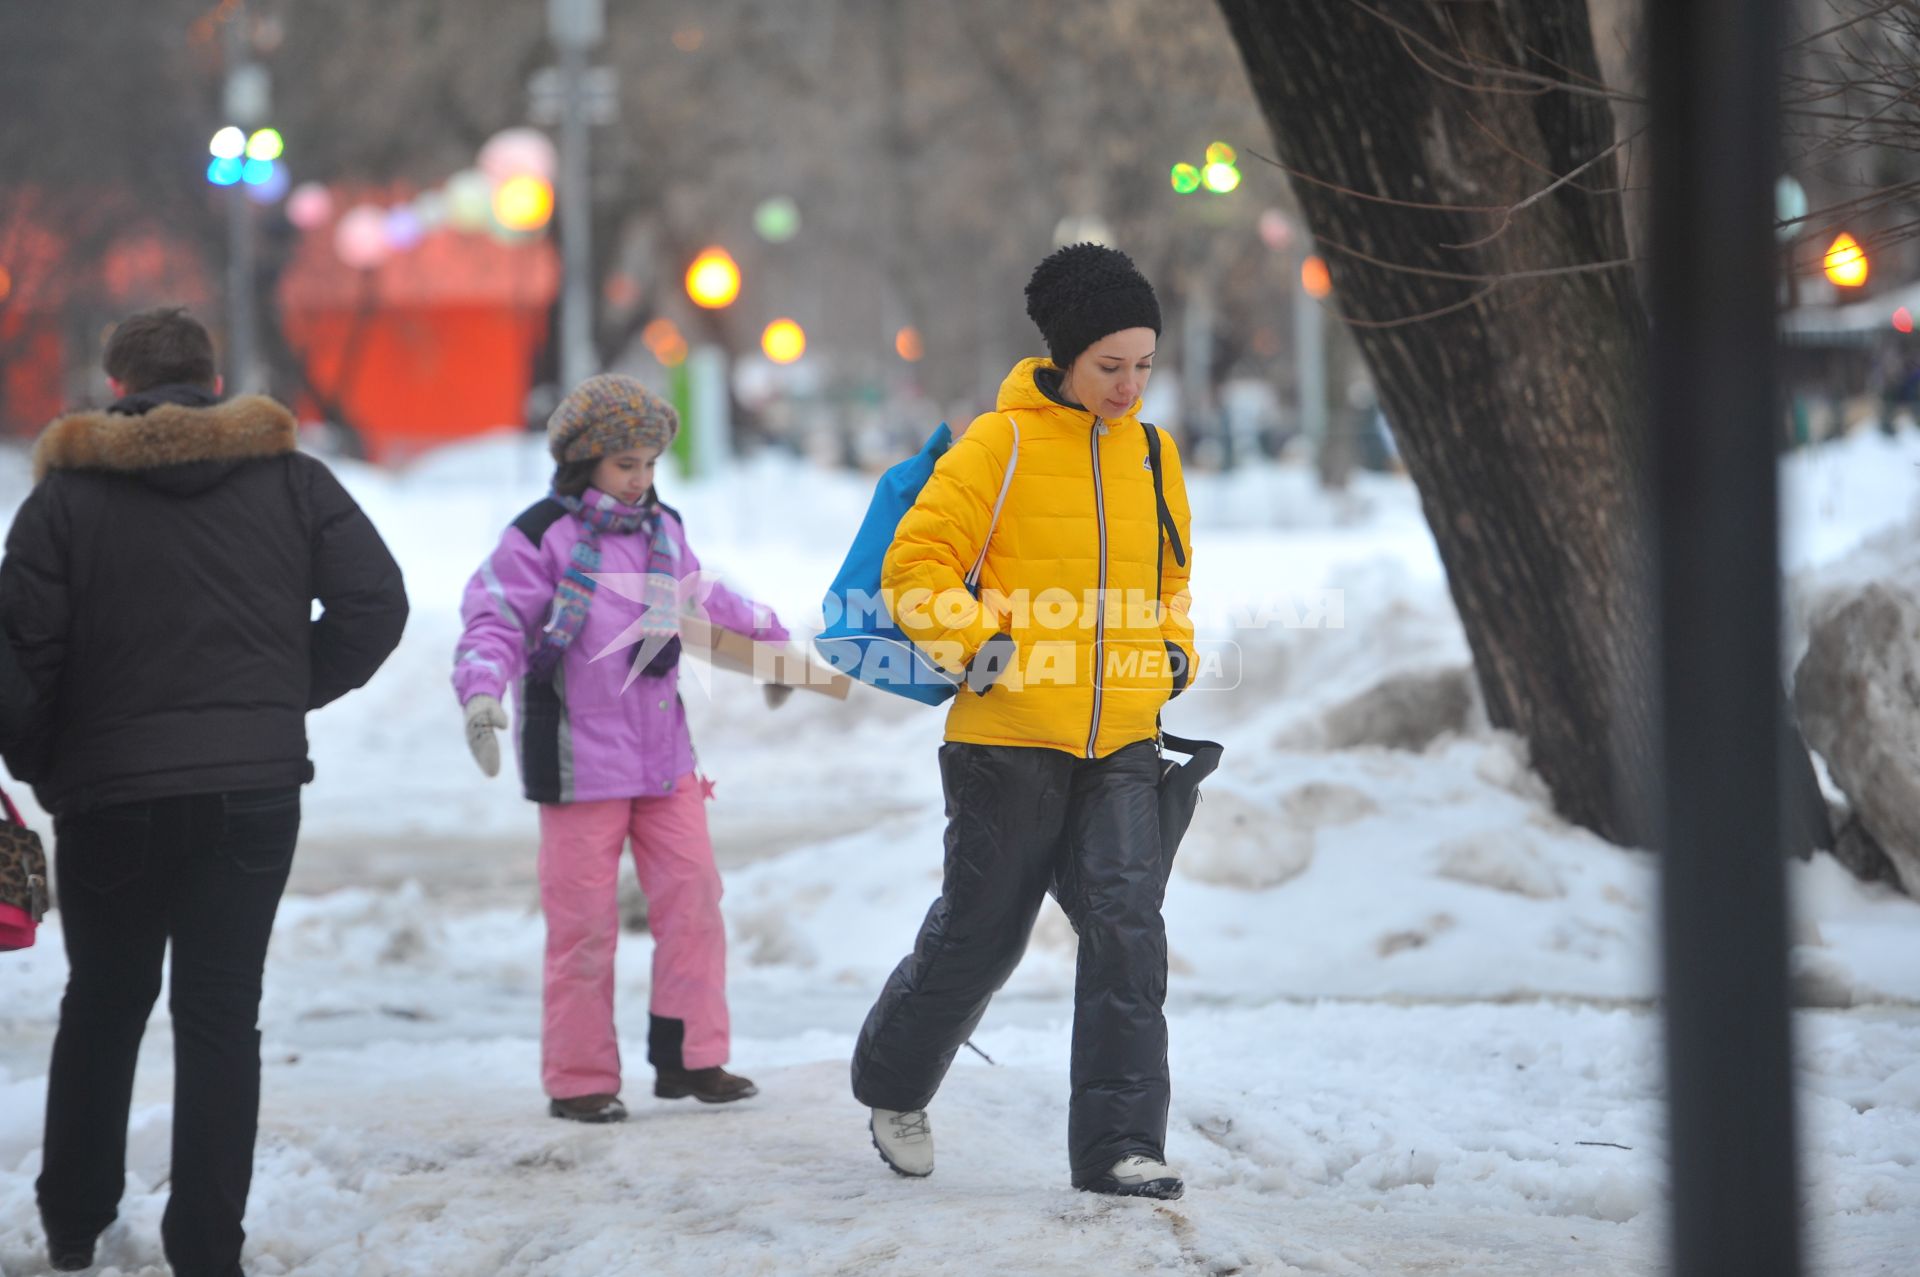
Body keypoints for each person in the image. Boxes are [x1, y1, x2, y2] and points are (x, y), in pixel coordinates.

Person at [1, 307, 408, 1276]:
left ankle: (72, 1220)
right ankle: (207, 1245)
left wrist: (47, 763)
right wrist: (277, 697)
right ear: (215, 384)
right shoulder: (295, 482)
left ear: (117, 388)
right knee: (223, 1013)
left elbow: (18, 658)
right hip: (255, 792)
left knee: (103, 1000)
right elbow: (375, 603)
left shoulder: (63, 502)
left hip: (110, 798)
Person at [850, 244, 1198, 1199]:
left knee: (1128, 929)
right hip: (1005, 741)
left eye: (1144, 366)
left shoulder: (1155, 453)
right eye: (1110, 366)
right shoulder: (997, 446)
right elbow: (915, 567)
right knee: (982, 936)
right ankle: (891, 1083)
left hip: (1122, 734)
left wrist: (1174, 651)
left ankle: (1123, 1146)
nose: (1129, 387)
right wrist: (977, 642)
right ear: (1068, 356)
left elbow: (1169, 583)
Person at [453, 373, 790, 1123]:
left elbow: (706, 597)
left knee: (696, 898)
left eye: (648, 463)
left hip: (665, 757)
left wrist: (771, 647)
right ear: (584, 462)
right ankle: (579, 1078)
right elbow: (495, 620)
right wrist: (480, 692)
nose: (639, 479)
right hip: (578, 764)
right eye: (624, 464)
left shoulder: (662, 529)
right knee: (583, 926)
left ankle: (691, 1057)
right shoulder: (541, 534)